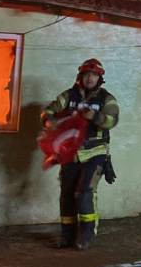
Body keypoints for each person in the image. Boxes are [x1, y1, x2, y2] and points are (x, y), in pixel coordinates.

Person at [41, 58, 119, 250]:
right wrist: (50, 122)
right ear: (80, 77)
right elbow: (47, 111)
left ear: (99, 78)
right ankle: (67, 236)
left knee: (84, 193)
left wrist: (95, 116)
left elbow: (112, 121)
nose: (90, 78)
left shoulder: (106, 99)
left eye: (94, 75)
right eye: (86, 74)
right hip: (71, 154)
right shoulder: (69, 95)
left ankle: (86, 234)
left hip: (96, 153)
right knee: (66, 194)